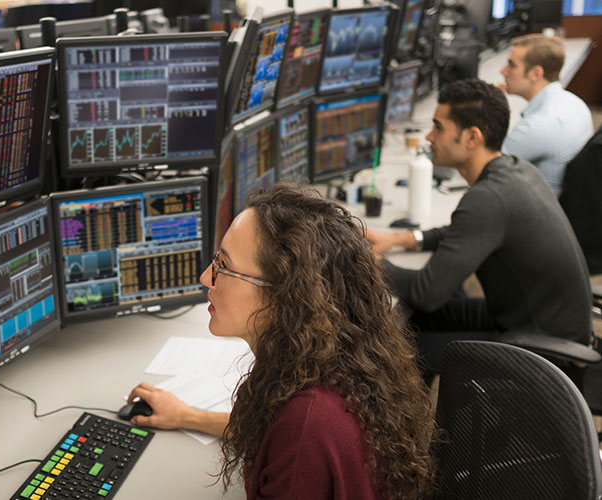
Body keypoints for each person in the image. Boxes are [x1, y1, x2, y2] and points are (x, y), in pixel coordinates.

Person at [127, 184, 436, 500]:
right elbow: (266, 431)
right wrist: (187, 416)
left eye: (223, 266)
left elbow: (292, 437)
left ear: (283, 295)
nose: (206, 277)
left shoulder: (306, 424)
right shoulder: (317, 362)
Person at [366, 78, 592, 372]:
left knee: (392, 352)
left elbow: (427, 292)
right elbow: (467, 232)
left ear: (472, 138)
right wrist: (403, 239)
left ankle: (421, 418)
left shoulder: (488, 199)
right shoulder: (516, 170)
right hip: (536, 324)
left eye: (438, 127)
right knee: (417, 321)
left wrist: (369, 262)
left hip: (541, 354)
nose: (429, 137)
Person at [499, 33, 594, 196]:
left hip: (533, 215)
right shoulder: (575, 103)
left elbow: (484, 170)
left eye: (511, 65)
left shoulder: (539, 125)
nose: (503, 71)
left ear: (536, 73)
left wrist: (487, 106)